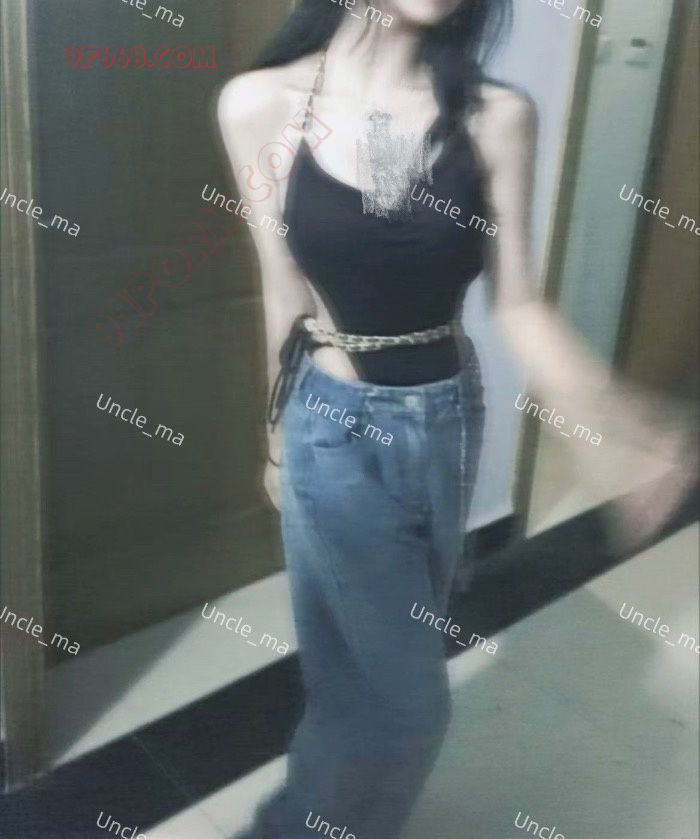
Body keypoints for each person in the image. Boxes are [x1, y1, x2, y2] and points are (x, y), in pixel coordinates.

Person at [216, 1, 695, 836]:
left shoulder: (496, 115)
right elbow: (282, 290)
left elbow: (520, 305)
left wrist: (617, 426)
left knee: (364, 672)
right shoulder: (260, 104)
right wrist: (277, 440)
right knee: (406, 707)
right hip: (334, 424)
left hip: (448, 418)